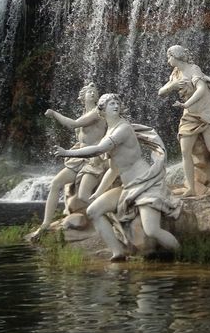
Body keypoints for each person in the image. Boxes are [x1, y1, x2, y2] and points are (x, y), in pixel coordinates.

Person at [56, 93, 181, 261]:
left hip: (145, 184)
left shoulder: (123, 128)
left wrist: (67, 153)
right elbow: (113, 169)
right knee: (93, 211)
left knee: (152, 230)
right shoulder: (109, 132)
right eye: (110, 103)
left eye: (117, 102)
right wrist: (98, 193)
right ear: (101, 111)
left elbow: (98, 150)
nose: (115, 105)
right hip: (128, 187)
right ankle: (118, 252)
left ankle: (184, 256)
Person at [30, 82, 107, 241]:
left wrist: (54, 113)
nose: (93, 93)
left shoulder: (97, 112)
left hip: (94, 158)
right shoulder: (84, 112)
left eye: (95, 91)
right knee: (56, 183)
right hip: (80, 156)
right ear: (83, 96)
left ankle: (109, 219)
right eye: (90, 91)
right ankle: (45, 224)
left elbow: (73, 125)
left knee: (84, 196)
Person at [158, 45, 210, 195]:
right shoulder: (175, 74)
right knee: (185, 151)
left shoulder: (193, 69)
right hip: (190, 115)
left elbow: (201, 89)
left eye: (169, 57)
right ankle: (191, 188)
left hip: (205, 113)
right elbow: (161, 92)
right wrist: (172, 86)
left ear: (176, 56)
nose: (168, 61)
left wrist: (186, 103)